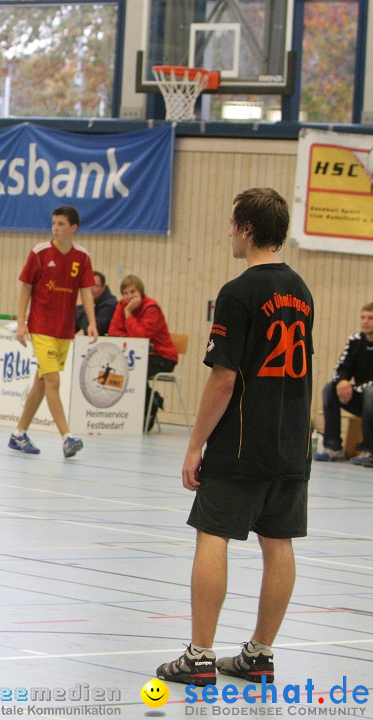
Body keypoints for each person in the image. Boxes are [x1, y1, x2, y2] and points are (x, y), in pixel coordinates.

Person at [155, 188, 313, 687]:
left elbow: (223, 378)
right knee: (279, 542)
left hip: (243, 442)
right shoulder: (302, 291)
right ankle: (259, 654)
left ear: (246, 228)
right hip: (291, 443)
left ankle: (200, 656)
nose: (228, 232)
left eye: (231, 224)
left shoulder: (239, 291)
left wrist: (195, 442)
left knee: (213, 535)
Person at [7, 206, 97, 458]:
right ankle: (67, 437)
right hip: (41, 327)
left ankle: (18, 434)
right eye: (53, 223)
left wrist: (91, 322)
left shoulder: (82, 257)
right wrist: (22, 322)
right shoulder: (39, 252)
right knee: (54, 381)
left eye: (60, 223)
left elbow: (86, 291)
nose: (55, 227)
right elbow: (25, 287)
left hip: (65, 330)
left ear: (73, 228)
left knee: (41, 382)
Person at [107, 274, 179, 432]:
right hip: (139, 356)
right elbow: (113, 331)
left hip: (163, 356)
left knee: (136, 372)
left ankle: (149, 408)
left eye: (132, 291)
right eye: (125, 293)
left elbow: (141, 337)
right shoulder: (122, 305)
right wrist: (127, 331)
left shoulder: (151, 308)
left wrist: (128, 315)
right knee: (119, 371)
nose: (129, 296)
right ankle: (146, 403)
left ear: (140, 291)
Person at [313, 302, 373, 465]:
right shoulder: (355, 341)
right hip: (363, 399)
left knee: (371, 391)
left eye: (370, 318)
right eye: (363, 317)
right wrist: (342, 381)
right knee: (330, 389)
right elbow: (341, 367)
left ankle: (369, 450)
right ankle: (333, 448)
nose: (365, 321)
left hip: (370, 395)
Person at [75, 271, 117, 335]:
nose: (91, 290)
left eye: (95, 286)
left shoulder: (110, 305)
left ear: (103, 287)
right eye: (88, 286)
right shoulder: (93, 304)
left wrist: (82, 310)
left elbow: (95, 330)